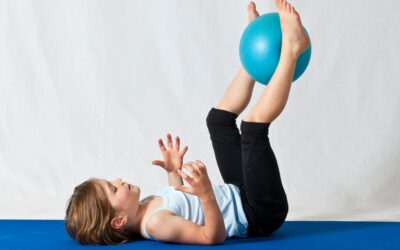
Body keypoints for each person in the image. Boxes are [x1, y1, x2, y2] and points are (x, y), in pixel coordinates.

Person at [64, 0, 310, 245]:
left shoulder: (145, 207)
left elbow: (179, 202)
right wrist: (205, 194)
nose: (118, 181)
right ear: (117, 221)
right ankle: (291, 48)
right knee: (252, 129)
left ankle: (253, 57)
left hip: (240, 193)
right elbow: (212, 237)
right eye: (113, 189)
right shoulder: (155, 225)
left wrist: (173, 173)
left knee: (218, 121)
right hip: (259, 212)